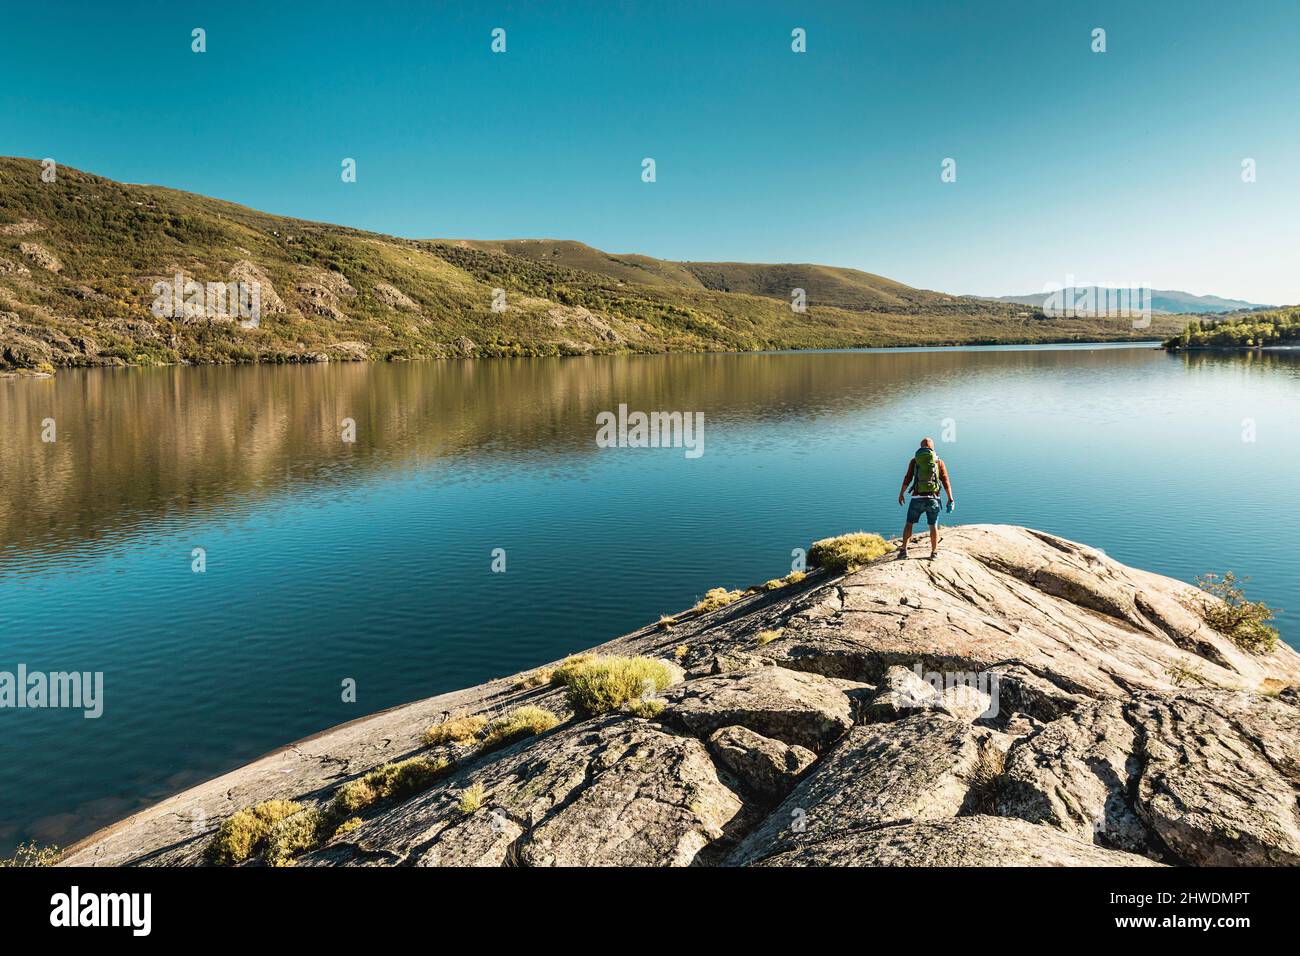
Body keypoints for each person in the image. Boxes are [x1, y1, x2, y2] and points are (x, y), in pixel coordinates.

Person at [896, 437, 955, 560]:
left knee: (909, 524)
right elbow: (945, 481)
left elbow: (908, 478)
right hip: (933, 498)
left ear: (921, 447)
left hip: (917, 498)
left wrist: (901, 493)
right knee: (933, 526)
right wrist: (950, 498)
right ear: (932, 448)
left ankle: (904, 551)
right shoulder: (938, 462)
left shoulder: (915, 460)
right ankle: (934, 553)